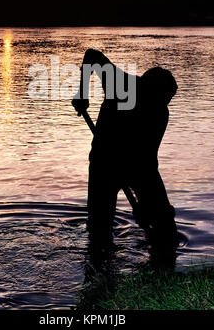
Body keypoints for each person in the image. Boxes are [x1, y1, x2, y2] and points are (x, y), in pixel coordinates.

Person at [72, 48, 178, 251]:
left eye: (165, 103)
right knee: (99, 229)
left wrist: (144, 205)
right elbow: (92, 55)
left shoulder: (160, 114)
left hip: (138, 166)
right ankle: (99, 271)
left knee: (164, 223)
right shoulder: (120, 84)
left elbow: (148, 159)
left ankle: (165, 261)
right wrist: (82, 94)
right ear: (143, 88)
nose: (160, 107)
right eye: (158, 101)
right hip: (105, 163)